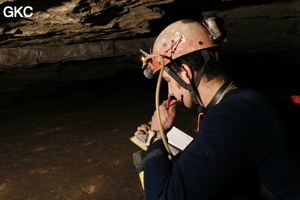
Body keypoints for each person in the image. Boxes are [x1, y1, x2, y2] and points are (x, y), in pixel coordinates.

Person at [133, 19, 300, 200]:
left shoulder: (230, 117)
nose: (170, 92)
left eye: (168, 81)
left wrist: (157, 137)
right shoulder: (244, 100)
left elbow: (162, 197)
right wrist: (166, 137)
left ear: (186, 73)